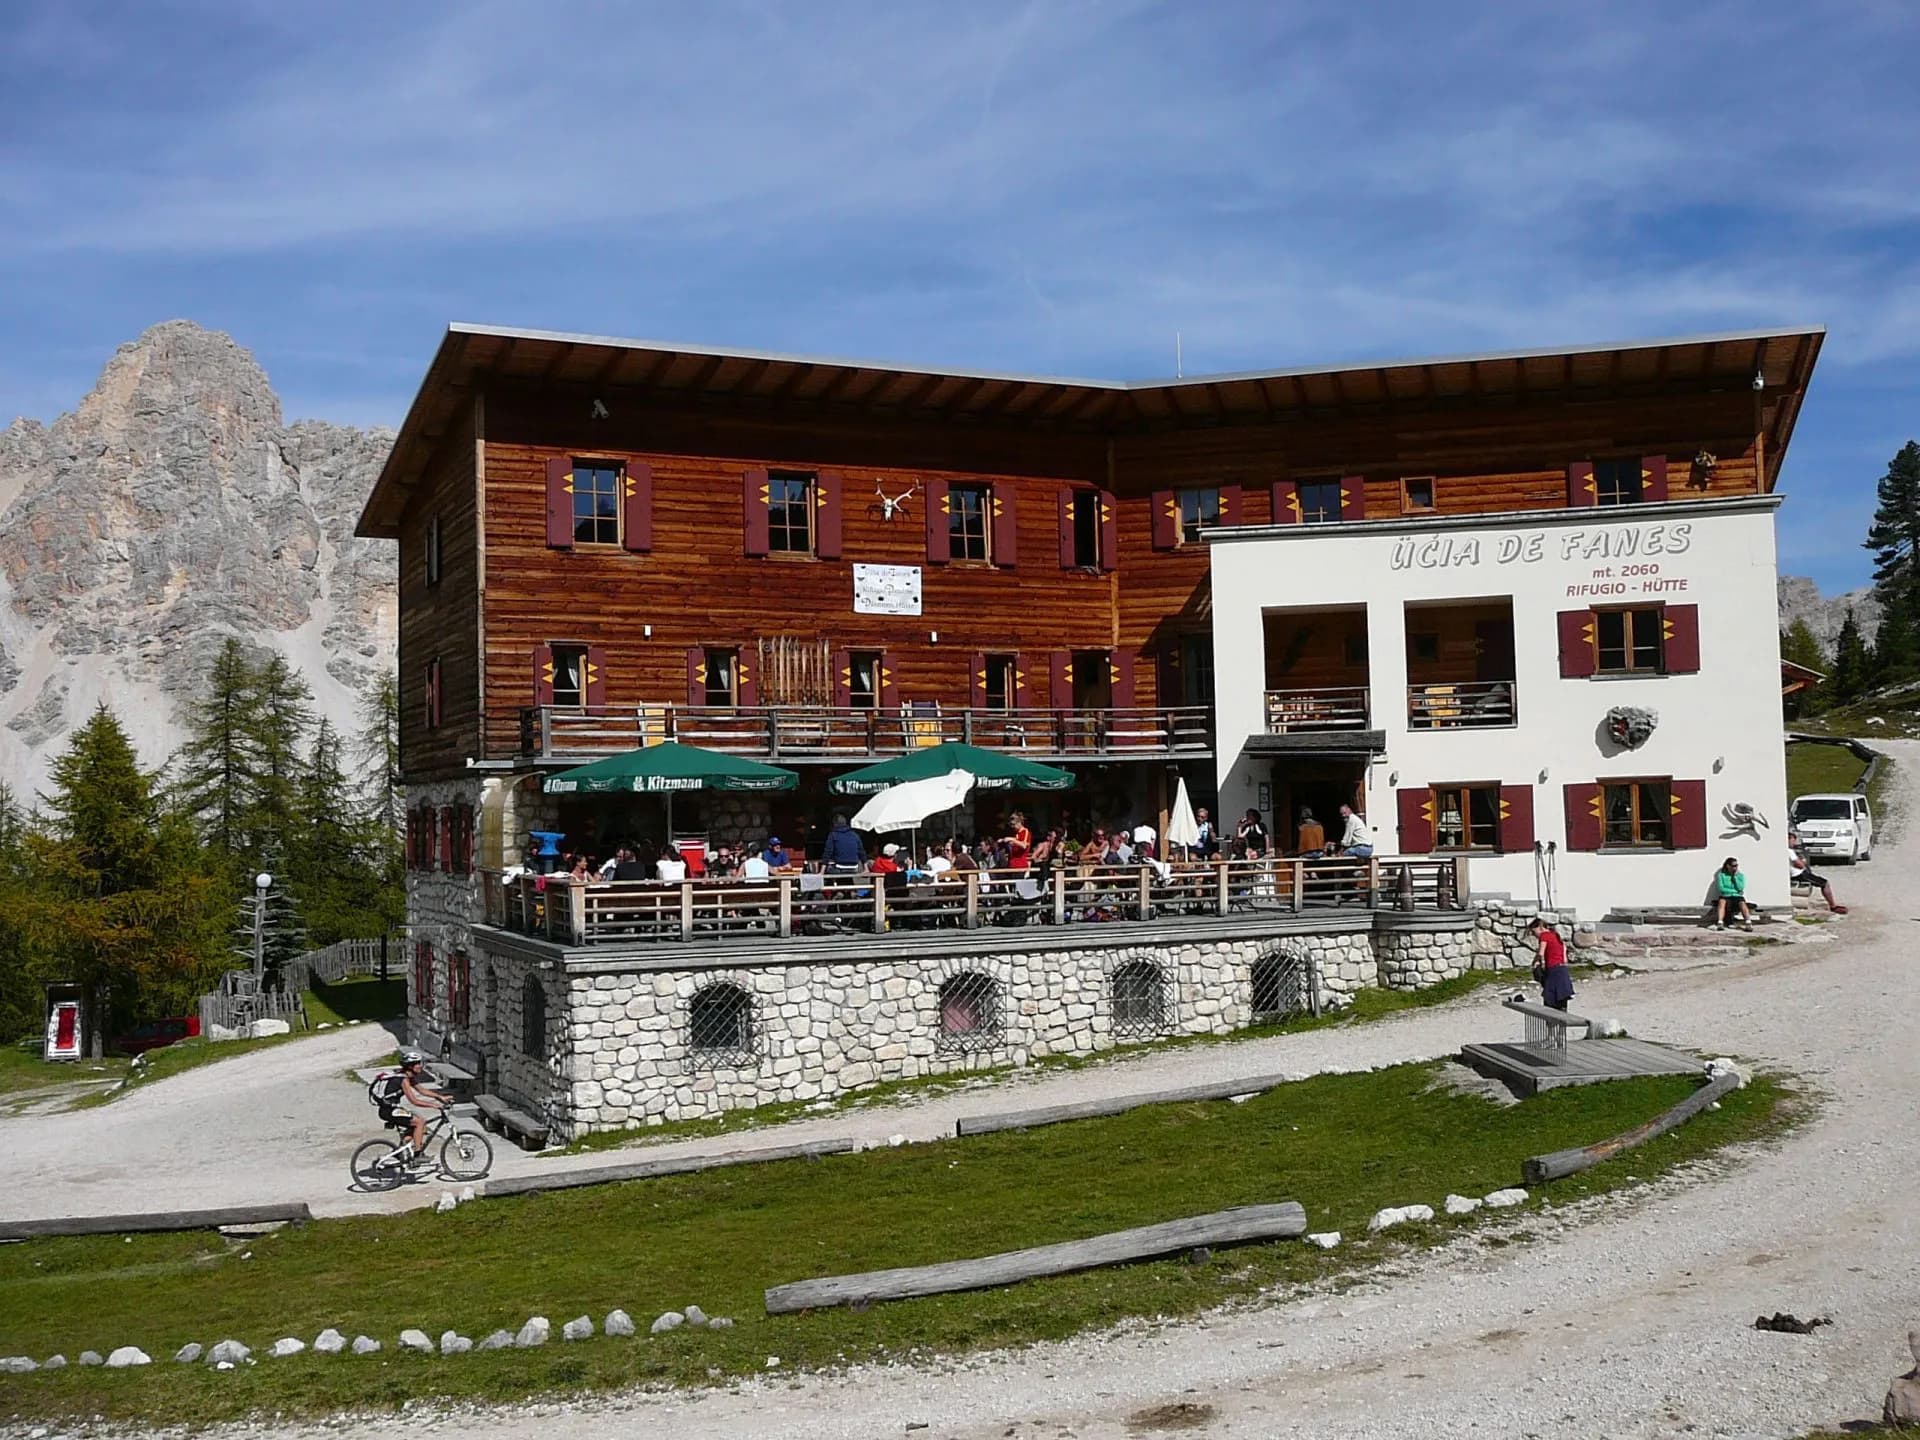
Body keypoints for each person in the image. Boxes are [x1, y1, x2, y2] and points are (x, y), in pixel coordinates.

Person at [369, 1048, 450, 1172]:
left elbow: (422, 1090)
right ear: (410, 1066)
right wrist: (435, 1106)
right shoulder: (403, 1080)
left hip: (392, 1109)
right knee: (419, 1122)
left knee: (416, 1126)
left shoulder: (408, 1077)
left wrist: (440, 1097)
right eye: (418, 1064)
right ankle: (418, 1154)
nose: (420, 1066)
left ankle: (399, 1152)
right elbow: (414, 1101)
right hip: (389, 1111)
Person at [1787, 830, 1847, 914]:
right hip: (1799, 874)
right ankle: (1833, 906)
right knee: (1824, 883)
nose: (1794, 843)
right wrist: (1803, 861)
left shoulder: (1786, 850)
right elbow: (1799, 865)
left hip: (1797, 873)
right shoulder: (1789, 851)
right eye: (1793, 840)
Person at [1527, 916, 1575, 1012]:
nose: (1534, 935)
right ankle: (1561, 1024)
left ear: (1540, 928)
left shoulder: (1544, 936)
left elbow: (1541, 952)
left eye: (1533, 932)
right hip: (1563, 970)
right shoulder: (1556, 935)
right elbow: (1564, 956)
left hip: (1554, 970)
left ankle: (1550, 1025)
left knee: (1549, 1000)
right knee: (1561, 1001)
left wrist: (1535, 962)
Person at [1710, 856, 1754, 930]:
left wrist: (1735, 878)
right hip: (1726, 895)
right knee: (1722, 902)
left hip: (1736, 896)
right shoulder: (1722, 875)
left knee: (1742, 903)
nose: (1735, 868)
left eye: (1736, 865)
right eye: (1733, 866)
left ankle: (1748, 922)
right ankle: (1720, 922)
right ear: (1728, 866)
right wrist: (1735, 891)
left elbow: (1740, 887)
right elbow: (1721, 888)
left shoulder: (1740, 875)